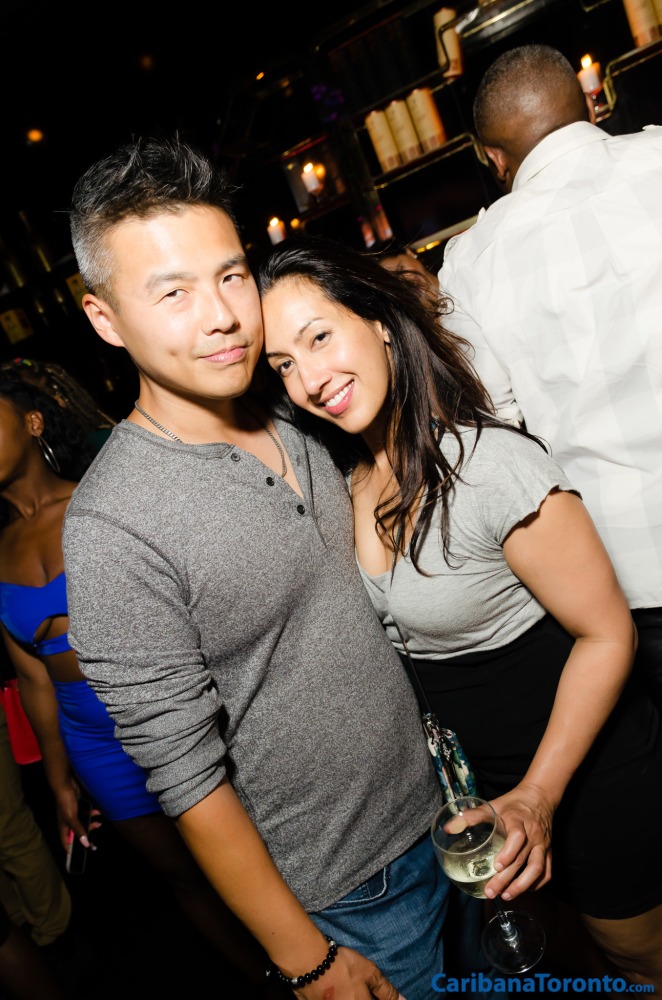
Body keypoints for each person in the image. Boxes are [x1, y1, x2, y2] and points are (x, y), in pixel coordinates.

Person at [58, 134, 492, 1000]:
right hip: (351, 894)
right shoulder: (111, 529)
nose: (222, 314)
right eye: (173, 292)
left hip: (456, 805)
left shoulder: (299, 404)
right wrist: (309, 960)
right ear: (104, 319)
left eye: (230, 276)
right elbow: (184, 778)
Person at [257, 233, 662, 991]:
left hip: (586, 778)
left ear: (379, 321)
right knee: (569, 967)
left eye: (319, 337)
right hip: (484, 799)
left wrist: (540, 794)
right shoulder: (350, 482)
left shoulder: (491, 466)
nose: (308, 378)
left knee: (639, 963)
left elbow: (609, 634)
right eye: (283, 363)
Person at [0, 366, 283, 992]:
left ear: (33, 422)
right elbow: (34, 678)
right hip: (94, 743)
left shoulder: (104, 503)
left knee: (254, 852)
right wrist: (59, 779)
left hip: (175, 713)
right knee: (183, 877)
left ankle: (307, 958)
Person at [436, 44, 662, 711]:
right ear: (591, 102)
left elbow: (495, 434)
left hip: (628, 582)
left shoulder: (471, 261)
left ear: (493, 159)